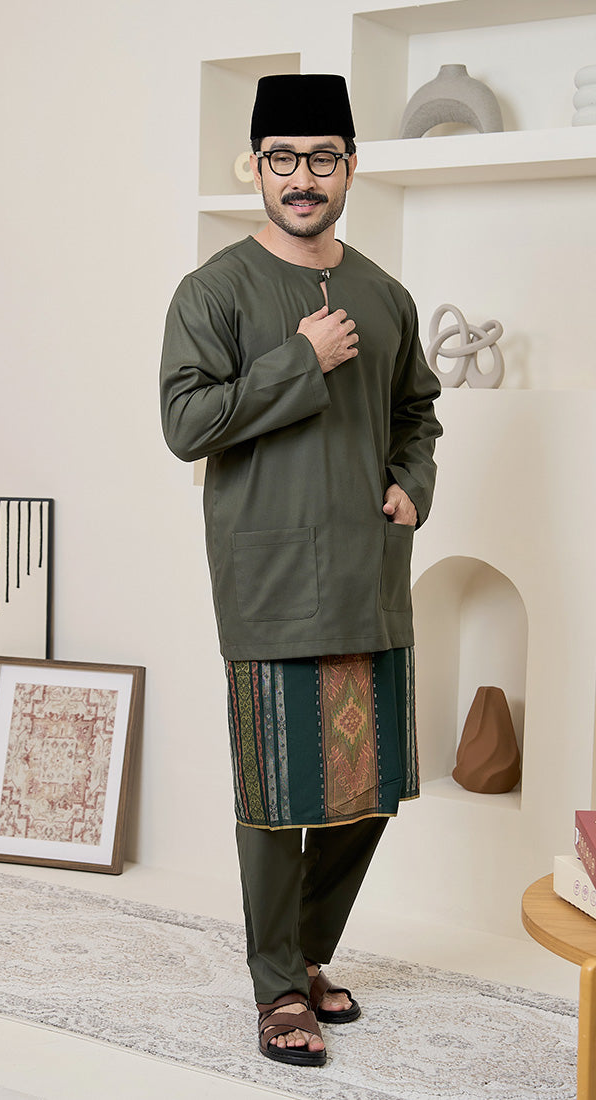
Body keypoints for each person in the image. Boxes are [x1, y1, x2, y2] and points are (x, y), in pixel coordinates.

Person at [160, 73, 442, 1067]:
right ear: (256, 168)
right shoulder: (214, 290)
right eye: (283, 158)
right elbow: (186, 424)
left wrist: (413, 480)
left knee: (368, 790)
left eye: (323, 157)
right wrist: (299, 360)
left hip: (369, 571)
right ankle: (278, 986)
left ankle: (309, 950)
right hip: (271, 578)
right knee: (280, 793)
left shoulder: (384, 292)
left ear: (351, 166)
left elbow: (419, 409)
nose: (303, 177)